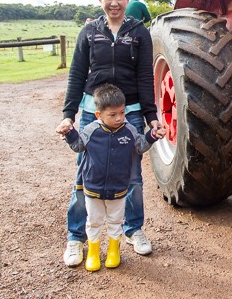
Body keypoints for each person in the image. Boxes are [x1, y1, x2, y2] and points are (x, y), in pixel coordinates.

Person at [55, 0, 163, 267]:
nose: (114, 3)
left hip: (130, 111)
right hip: (93, 110)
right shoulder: (89, 32)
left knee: (132, 175)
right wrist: (69, 115)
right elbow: (77, 74)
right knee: (85, 172)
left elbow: (144, 76)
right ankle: (76, 238)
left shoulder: (139, 32)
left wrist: (151, 117)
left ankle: (133, 229)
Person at [61, 84, 165, 271]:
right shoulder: (91, 130)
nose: (119, 118)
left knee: (115, 221)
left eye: (122, 113)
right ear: (99, 115)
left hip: (119, 189)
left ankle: (113, 249)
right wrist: (69, 133)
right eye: (113, 115)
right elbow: (78, 145)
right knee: (94, 220)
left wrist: (152, 136)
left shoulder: (130, 130)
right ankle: (93, 252)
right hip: (93, 188)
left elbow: (140, 146)